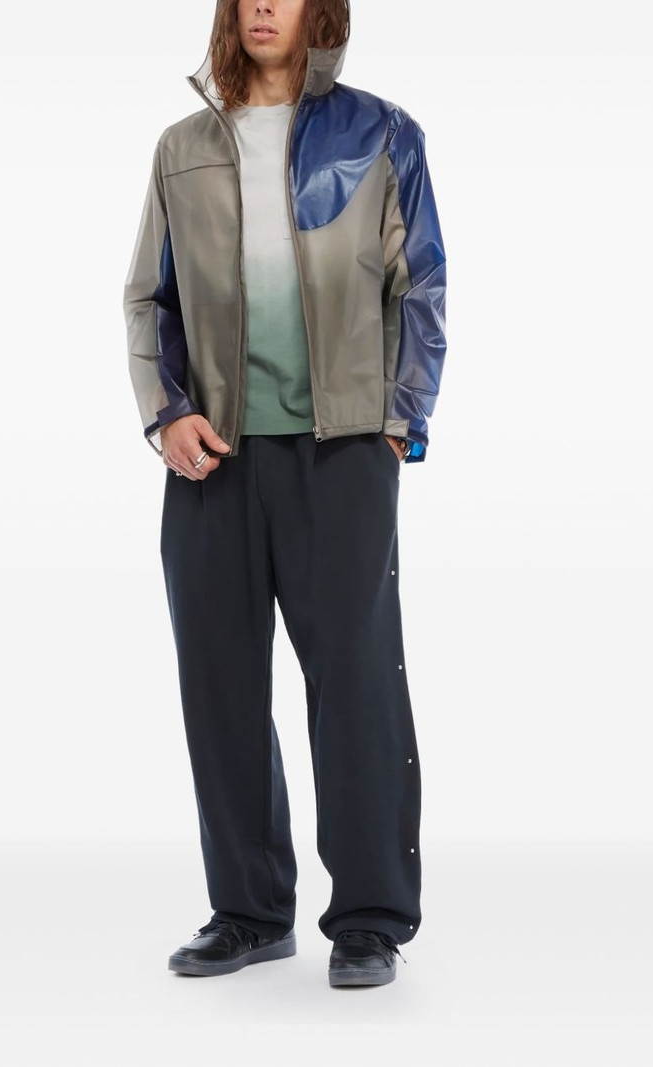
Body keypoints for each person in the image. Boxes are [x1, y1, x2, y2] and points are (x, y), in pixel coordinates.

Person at [123, 0, 447, 988]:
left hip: (340, 450)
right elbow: (148, 298)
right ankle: (249, 910)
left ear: (321, 11)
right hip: (213, 455)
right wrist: (167, 412)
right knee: (218, 685)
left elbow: (421, 284)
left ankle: (370, 919)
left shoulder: (382, 132)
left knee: (355, 685)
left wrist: (397, 420)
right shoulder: (182, 148)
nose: (262, 4)